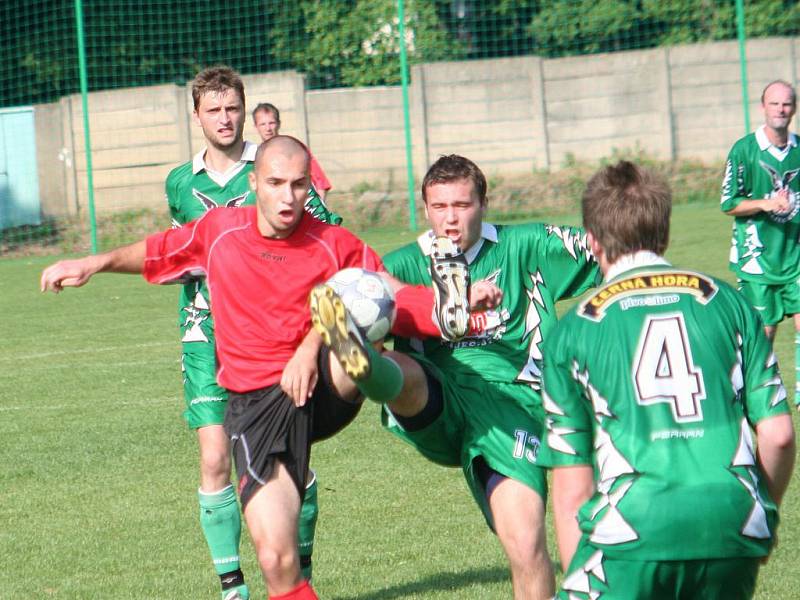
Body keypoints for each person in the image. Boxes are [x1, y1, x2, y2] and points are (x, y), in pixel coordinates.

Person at [41, 136, 487, 600]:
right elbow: (158, 251)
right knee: (277, 561)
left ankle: (371, 366)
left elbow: (389, 290)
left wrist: (454, 306)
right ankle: (356, 353)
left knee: (357, 316)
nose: (288, 196)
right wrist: (94, 263)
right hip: (257, 408)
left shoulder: (333, 242)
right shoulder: (219, 232)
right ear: (254, 183)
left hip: (323, 387)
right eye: (276, 183)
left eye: (298, 185)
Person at [314, 154, 600, 599]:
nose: (451, 219)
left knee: (526, 545)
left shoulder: (526, 245)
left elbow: (610, 248)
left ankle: (367, 366)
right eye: (440, 206)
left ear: (484, 203)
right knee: (406, 372)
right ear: (425, 208)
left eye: (462, 205)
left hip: (508, 409)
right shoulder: (405, 264)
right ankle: (363, 364)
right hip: (439, 398)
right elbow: (368, 291)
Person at [539, 160, 796, 599]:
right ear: (665, 233)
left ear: (592, 243)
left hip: (633, 525)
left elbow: (572, 484)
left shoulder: (572, 331)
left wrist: (577, 572)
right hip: (730, 518)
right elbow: (779, 435)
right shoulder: (731, 305)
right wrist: (757, 516)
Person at [166, 67, 339, 598]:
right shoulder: (180, 183)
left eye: (232, 108)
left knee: (290, 464)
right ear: (196, 115)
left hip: (274, 332)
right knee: (214, 455)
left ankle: (299, 570)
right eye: (213, 110)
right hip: (205, 330)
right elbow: (178, 250)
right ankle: (232, 589)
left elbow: (326, 235)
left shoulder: (271, 168)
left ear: (245, 110)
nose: (225, 118)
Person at [721, 79, 800, 407]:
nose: (781, 109)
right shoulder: (744, 150)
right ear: (762, 107)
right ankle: (758, 392)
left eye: (787, 104)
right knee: (764, 333)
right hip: (757, 260)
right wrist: (767, 204)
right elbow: (729, 203)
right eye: (775, 104)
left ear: (794, 109)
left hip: (794, 256)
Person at [252, 102, 332, 202]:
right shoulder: (255, 157)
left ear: (279, 123)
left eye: (271, 123)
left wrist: (318, 213)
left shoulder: (297, 149)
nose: (268, 128)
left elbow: (321, 184)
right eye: (263, 124)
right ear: (256, 127)